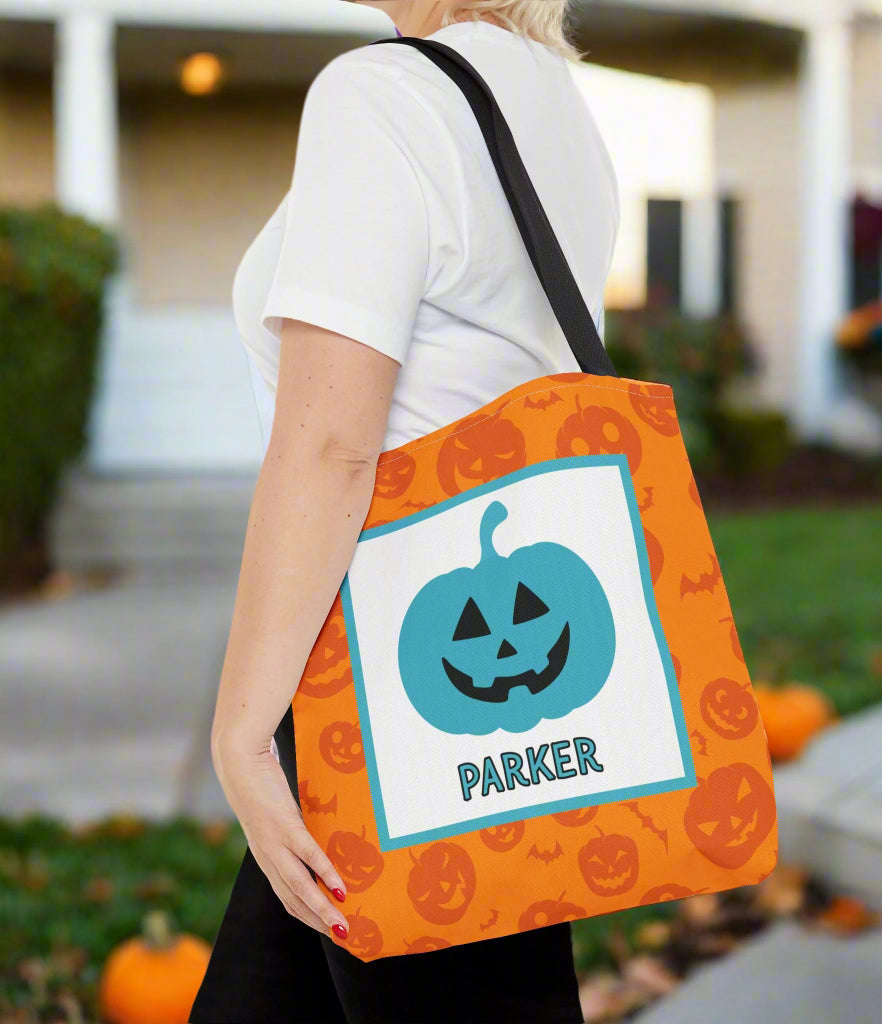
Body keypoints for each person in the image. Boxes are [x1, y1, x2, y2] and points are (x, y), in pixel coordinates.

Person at [189, 1, 619, 1020]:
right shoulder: (547, 97)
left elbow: (331, 442)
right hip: (484, 706)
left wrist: (242, 731)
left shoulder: (381, 92)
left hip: (394, 705)